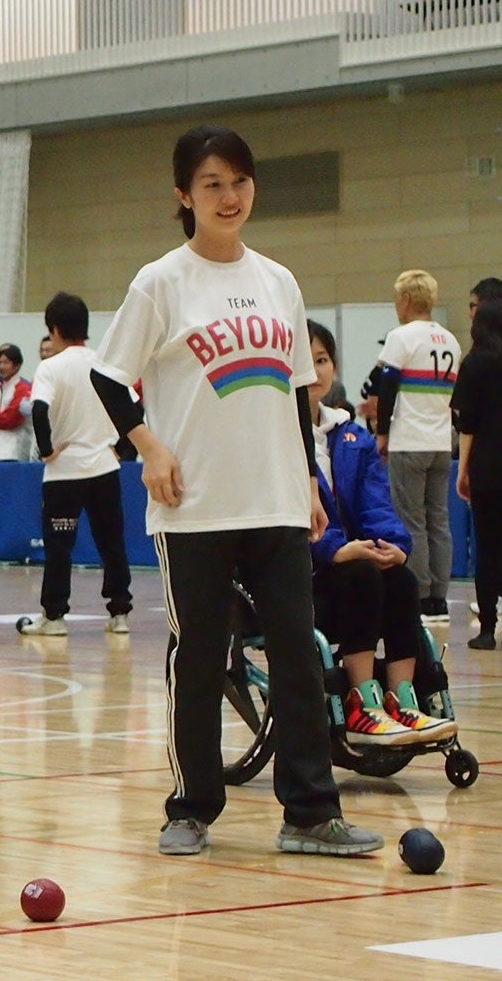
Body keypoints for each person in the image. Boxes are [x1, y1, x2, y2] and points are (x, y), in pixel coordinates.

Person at [90, 124, 380, 858]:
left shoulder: (277, 281)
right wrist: (148, 446)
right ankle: (191, 805)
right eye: (212, 183)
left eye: (240, 181)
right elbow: (107, 375)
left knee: (297, 654)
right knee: (200, 657)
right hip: (194, 507)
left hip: (276, 500)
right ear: (183, 195)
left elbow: (294, 393)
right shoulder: (160, 281)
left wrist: (309, 480)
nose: (229, 196)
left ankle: (311, 811)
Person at [305, 320, 455, 743]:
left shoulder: (352, 435)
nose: (315, 371)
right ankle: (361, 700)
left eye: (323, 360)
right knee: (362, 577)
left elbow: (377, 502)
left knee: (401, 578)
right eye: (306, 361)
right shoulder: (273, 438)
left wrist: (394, 544)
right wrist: (337, 549)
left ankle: (402, 699)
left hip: (358, 560)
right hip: (309, 571)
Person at [23, 292, 132, 637]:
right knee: (111, 542)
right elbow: (135, 409)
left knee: (59, 546)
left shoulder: (50, 368)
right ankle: (119, 614)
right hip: (104, 471)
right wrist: (122, 450)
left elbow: (39, 410)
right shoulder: (105, 362)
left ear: (54, 329)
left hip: (63, 475)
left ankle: (54, 618)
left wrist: (46, 451)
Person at [375, 269, 459, 626]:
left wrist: (381, 433)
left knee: (412, 519)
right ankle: (440, 594)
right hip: (441, 441)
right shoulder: (451, 341)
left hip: (409, 439)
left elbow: (387, 388)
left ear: (406, 300)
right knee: (438, 518)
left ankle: (421, 596)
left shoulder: (402, 337)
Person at [454, 298, 502, 649]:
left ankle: (487, 628)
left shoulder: (475, 363)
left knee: (487, 548)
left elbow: (466, 422)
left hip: (488, 465)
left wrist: (464, 469)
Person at [0, 344, 34, 461]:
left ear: (17, 365)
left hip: (12, 452)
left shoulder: (23, 389)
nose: (2, 367)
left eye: (6, 363)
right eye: (0, 362)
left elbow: (10, 420)